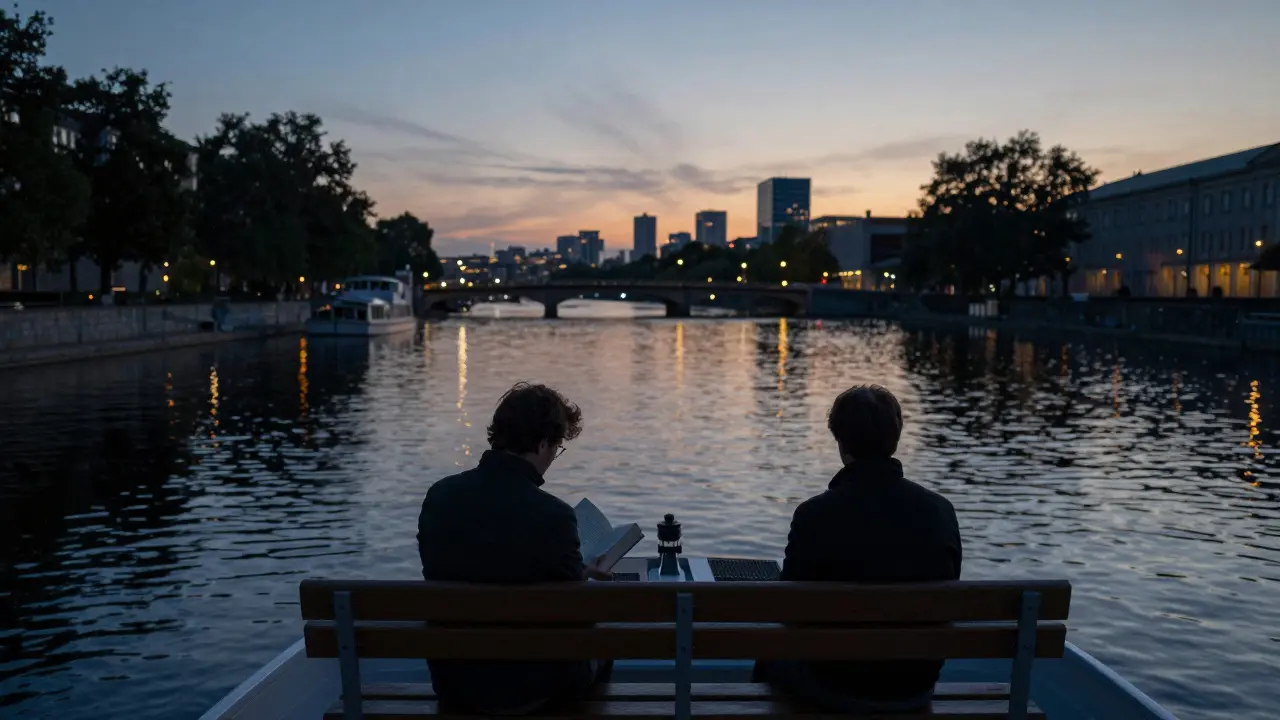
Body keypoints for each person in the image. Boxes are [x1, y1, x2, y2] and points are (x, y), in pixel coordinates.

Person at [755, 384, 962, 713]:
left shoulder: (813, 515)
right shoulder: (940, 511)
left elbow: (789, 610)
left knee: (769, 653)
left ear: (840, 441)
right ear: (895, 437)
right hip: (913, 689)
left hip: (831, 686)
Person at [418, 382, 611, 715]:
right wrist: (583, 578)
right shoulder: (555, 516)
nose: (553, 457)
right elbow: (574, 610)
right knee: (602, 644)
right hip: (536, 690)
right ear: (541, 444)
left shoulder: (439, 498)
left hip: (456, 686)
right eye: (556, 448)